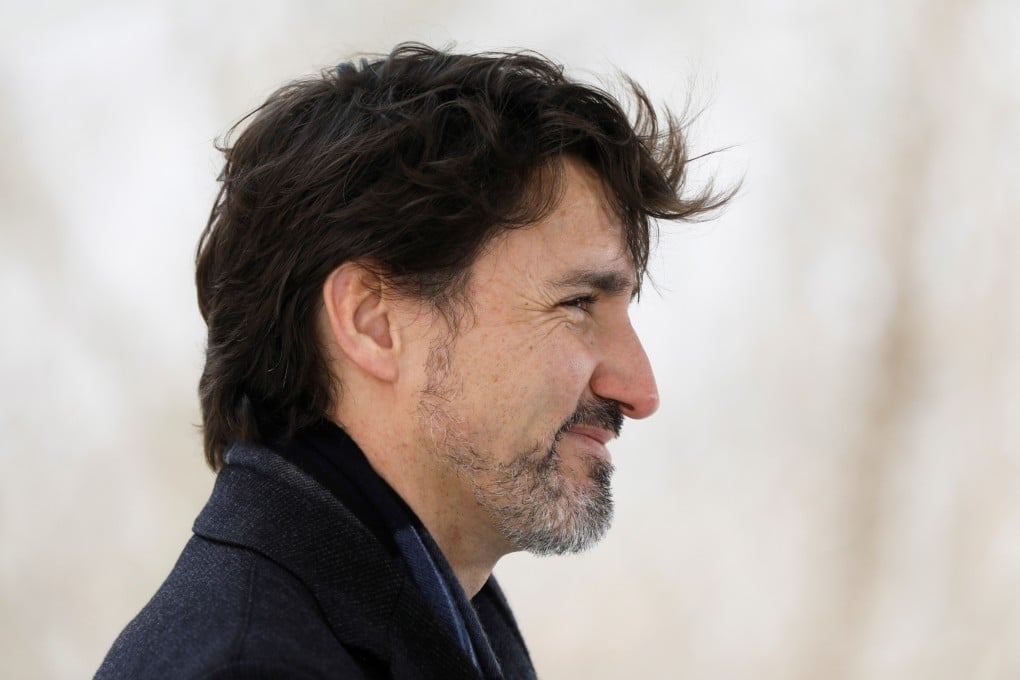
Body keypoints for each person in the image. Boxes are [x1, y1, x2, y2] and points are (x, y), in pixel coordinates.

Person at [96, 42, 729, 679]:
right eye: (578, 303)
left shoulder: (425, 624)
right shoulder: (254, 668)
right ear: (372, 322)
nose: (640, 390)